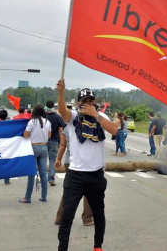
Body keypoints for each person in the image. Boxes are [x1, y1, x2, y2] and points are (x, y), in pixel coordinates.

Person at [55, 79, 118, 251]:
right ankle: (62, 248)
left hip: (95, 174)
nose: (87, 105)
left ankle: (97, 246)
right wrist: (61, 92)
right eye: (84, 102)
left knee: (98, 214)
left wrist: (95, 114)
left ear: (94, 103)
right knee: (67, 216)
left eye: (90, 102)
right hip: (75, 174)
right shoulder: (74, 118)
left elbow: (113, 130)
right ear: (78, 103)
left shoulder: (101, 117)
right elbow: (62, 111)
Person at [54, 126, 94, 226]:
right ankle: (87, 218)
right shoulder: (88, 126)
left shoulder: (67, 128)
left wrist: (58, 159)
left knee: (69, 190)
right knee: (89, 191)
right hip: (85, 163)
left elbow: (62, 145)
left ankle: (60, 217)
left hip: (69, 162)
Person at [19, 105, 51, 203]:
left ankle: (27, 197)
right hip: (44, 147)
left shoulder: (32, 122)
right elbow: (49, 135)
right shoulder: (47, 122)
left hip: (33, 147)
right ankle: (44, 196)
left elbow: (26, 134)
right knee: (43, 174)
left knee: (31, 173)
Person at [45, 100, 66, 186]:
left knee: (42, 160)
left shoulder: (42, 116)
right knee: (52, 160)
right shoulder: (57, 117)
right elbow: (63, 127)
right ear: (53, 106)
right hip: (54, 141)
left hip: (43, 141)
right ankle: (51, 178)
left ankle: (41, 177)